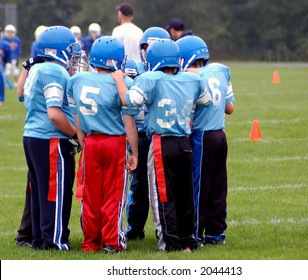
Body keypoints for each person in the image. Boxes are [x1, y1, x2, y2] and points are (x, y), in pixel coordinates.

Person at [113, 38, 211, 252]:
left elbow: (130, 101)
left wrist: (120, 80)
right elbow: (206, 101)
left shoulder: (151, 78)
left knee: (162, 195)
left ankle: (170, 242)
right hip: (184, 143)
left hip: (161, 143)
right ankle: (188, 240)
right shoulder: (190, 79)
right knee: (185, 194)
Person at [67, 36, 138, 253]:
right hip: (114, 142)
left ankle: (91, 242)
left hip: (91, 141)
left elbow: (78, 117)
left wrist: (83, 142)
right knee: (114, 195)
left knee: (90, 195)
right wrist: (134, 152)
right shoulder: (123, 82)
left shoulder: (78, 79)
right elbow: (129, 122)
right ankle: (112, 241)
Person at [15, 45, 83, 248]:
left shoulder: (37, 68)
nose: (73, 60)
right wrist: (75, 134)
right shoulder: (54, 71)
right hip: (50, 138)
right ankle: (54, 241)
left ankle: (38, 238)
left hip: (32, 135)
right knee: (55, 192)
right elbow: (54, 113)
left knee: (40, 192)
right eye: (71, 54)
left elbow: (19, 92)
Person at [177, 35, 235, 246]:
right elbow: (230, 109)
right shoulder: (220, 70)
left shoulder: (191, 77)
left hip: (202, 136)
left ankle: (194, 234)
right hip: (220, 134)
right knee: (219, 187)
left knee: (198, 188)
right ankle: (216, 233)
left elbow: (189, 116)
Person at [124, 26, 171, 241]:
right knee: (139, 185)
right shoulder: (135, 68)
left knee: (168, 184)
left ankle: (170, 228)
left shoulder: (172, 71)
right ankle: (135, 228)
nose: (150, 50)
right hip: (141, 134)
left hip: (163, 133)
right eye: (147, 46)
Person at [0, 27, 11, 108]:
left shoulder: (4, 44)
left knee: (0, 83)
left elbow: (7, 57)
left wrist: (7, 64)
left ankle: (1, 100)